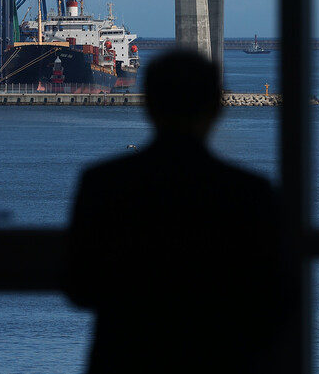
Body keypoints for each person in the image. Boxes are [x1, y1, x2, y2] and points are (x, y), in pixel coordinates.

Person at [63, 49, 287, 374]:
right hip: (221, 359)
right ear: (215, 109)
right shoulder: (251, 193)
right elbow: (274, 296)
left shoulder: (102, 183)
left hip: (124, 358)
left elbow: (79, 288)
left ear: (150, 105)